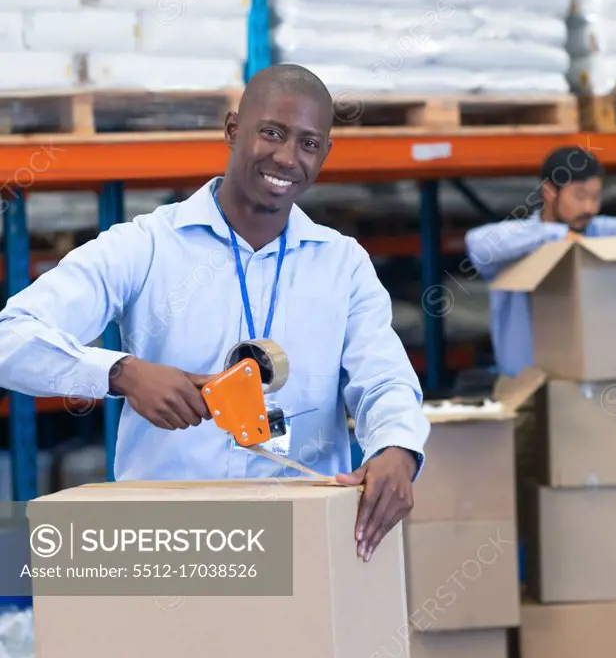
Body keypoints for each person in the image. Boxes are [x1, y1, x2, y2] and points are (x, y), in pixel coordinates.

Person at [0, 65, 429, 562]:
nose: (287, 158)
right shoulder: (147, 246)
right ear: (232, 129)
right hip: (170, 547)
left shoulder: (342, 265)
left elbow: (384, 381)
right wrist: (121, 372)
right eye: (272, 133)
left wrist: (397, 448)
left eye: (309, 144)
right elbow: (10, 338)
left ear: (325, 154)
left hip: (297, 546)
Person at [464, 145, 616, 377]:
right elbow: (477, 243)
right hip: (525, 387)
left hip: (593, 382)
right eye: (579, 196)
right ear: (549, 192)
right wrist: (557, 235)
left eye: (595, 197)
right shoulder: (518, 242)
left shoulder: (599, 231)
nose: (589, 207)